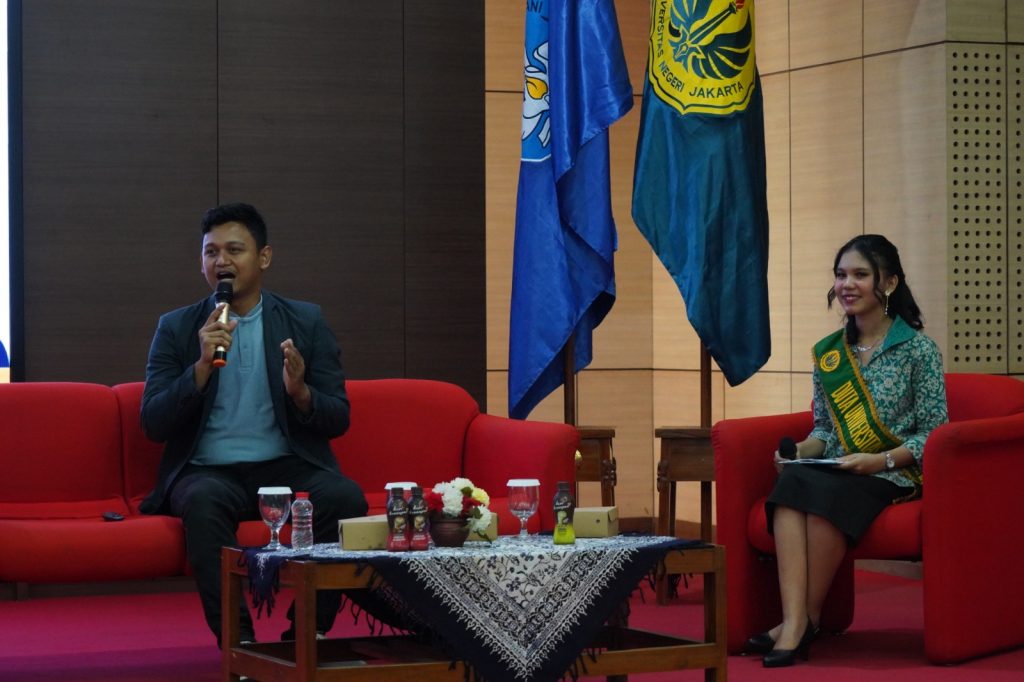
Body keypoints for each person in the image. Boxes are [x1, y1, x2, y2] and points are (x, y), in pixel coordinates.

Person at [140, 202, 368, 646]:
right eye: (210, 252)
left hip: (284, 467)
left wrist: (300, 393)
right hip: (207, 471)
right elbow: (153, 422)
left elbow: (337, 416)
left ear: (263, 257)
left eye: (234, 250)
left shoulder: (305, 321)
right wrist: (200, 368)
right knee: (202, 502)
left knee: (344, 496)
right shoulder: (177, 328)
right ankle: (238, 641)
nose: (220, 261)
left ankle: (307, 633)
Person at [748, 235, 948, 668]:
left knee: (826, 494)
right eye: (841, 275)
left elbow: (934, 433)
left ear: (888, 282)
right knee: (794, 481)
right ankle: (797, 620)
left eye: (860, 274)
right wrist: (800, 451)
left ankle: (800, 623)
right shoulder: (830, 354)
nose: (847, 285)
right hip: (838, 466)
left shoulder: (918, 351)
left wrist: (879, 460)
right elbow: (823, 428)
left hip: (893, 472)